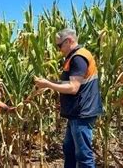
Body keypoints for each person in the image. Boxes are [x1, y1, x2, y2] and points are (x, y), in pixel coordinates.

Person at [34, 29, 103, 168]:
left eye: (60, 46)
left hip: (81, 112)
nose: (59, 50)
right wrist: (48, 82)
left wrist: (48, 84)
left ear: (69, 41)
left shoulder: (78, 58)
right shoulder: (73, 57)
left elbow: (73, 88)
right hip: (76, 112)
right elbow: (70, 83)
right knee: (69, 149)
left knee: (83, 155)